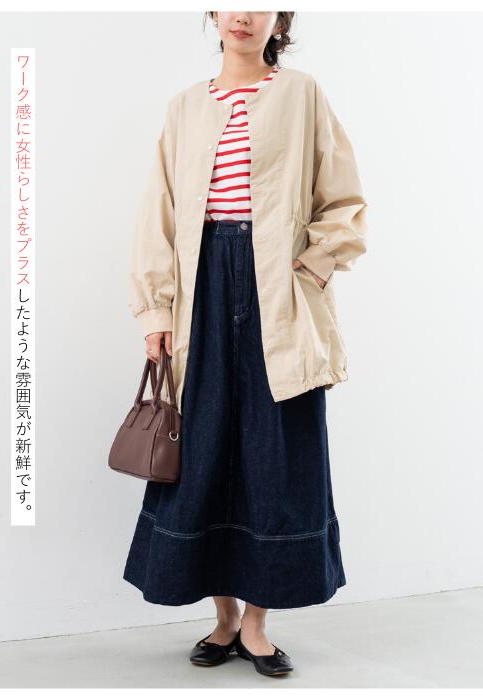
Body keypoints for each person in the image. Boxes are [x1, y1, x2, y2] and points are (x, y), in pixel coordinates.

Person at [123, 11, 368, 677]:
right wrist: (155, 310)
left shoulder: (301, 94)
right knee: (202, 450)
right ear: (211, 13)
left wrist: (310, 267)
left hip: (279, 290)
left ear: (278, 18)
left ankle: (256, 624)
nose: (242, 14)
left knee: (275, 452)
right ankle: (223, 618)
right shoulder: (184, 108)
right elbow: (158, 212)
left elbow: (343, 198)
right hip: (200, 286)